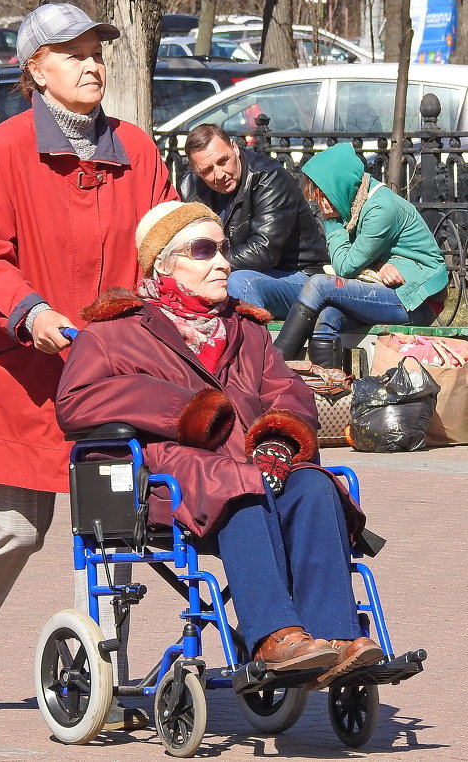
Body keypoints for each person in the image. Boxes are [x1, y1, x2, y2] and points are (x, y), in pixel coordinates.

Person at [0, 1, 178, 724]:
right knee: (14, 531)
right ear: (36, 69)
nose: (92, 63)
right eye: (73, 53)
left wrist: (191, 275)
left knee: (115, 531)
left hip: (117, 372)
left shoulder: (136, 148)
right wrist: (30, 311)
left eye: (97, 50)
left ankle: (111, 678)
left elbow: (167, 240)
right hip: (22, 370)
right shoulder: (1, 151)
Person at [55, 200, 383, 686]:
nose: (224, 262)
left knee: (314, 487)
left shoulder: (246, 329)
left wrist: (276, 439)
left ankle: (333, 636)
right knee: (238, 488)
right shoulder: (113, 332)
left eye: (224, 249)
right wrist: (183, 410)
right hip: (167, 479)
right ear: (163, 263)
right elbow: (76, 400)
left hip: (253, 465)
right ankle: (274, 636)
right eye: (204, 250)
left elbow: (287, 392)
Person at [273, 142, 449, 368]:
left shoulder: (380, 208)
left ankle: (276, 367)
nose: (321, 202)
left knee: (319, 285)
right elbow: (361, 256)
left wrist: (332, 222)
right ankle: (331, 393)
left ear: (340, 186)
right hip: (396, 291)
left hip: (417, 300)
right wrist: (379, 265)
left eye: (323, 194)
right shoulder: (357, 203)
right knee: (326, 318)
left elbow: (345, 266)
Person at [178, 123, 329, 319]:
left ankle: (250, 348)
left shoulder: (268, 177)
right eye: (206, 170)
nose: (219, 174)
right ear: (194, 169)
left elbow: (263, 252)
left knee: (241, 282)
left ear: (234, 147)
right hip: (225, 274)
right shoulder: (190, 187)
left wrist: (209, 265)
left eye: (223, 161)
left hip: (297, 276)